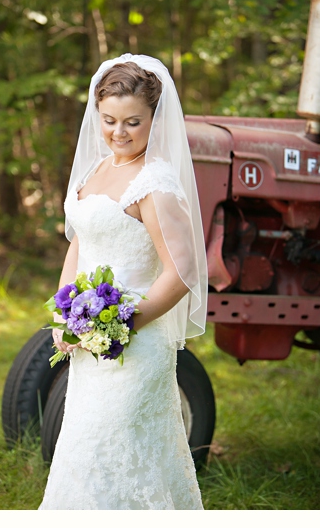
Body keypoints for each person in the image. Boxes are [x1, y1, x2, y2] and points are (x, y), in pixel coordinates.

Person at [39, 54, 208, 510]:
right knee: (84, 450)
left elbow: (183, 272)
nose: (119, 132)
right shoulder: (96, 170)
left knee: (120, 452)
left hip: (135, 345)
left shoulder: (155, 183)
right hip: (90, 341)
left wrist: (123, 324)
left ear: (154, 118)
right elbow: (81, 243)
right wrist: (64, 315)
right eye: (109, 120)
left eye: (132, 122)